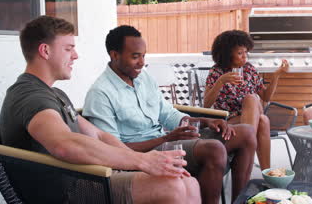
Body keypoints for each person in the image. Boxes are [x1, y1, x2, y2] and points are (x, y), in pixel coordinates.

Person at [0, 16, 201, 204]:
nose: (76, 55)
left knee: (187, 182)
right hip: (68, 190)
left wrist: (143, 161)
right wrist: (142, 161)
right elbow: (64, 144)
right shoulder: (30, 97)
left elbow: (99, 135)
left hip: (88, 176)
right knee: (172, 186)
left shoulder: (55, 94)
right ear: (45, 51)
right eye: (69, 49)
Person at [83, 25, 256, 204]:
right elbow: (114, 150)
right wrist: (165, 140)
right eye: (135, 56)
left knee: (246, 133)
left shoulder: (143, 78)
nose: (142, 62)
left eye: (143, 55)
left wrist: (206, 121)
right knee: (214, 150)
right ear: (114, 55)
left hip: (165, 140)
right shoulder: (101, 94)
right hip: (145, 154)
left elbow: (169, 115)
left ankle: (239, 201)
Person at [203, 30, 289, 170]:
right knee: (263, 121)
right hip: (228, 120)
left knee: (251, 98)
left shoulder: (249, 70)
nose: (245, 57)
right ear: (227, 53)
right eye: (240, 53)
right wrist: (220, 82)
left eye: (246, 52)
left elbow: (266, 97)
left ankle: (246, 150)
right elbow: (206, 104)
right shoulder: (216, 72)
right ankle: (267, 173)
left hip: (250, 115)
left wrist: (276, 76)